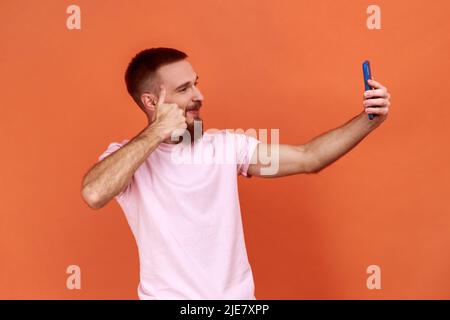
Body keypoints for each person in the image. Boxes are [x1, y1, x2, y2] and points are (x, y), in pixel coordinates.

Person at [81, 47, 391, 299]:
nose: (199, 95)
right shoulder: (127, 157)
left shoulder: (226, 147)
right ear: (151, 102)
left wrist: (370, 120)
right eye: (184, 88)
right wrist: (156, 132)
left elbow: (309, 157)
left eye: (196, 83)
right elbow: (94, 193)